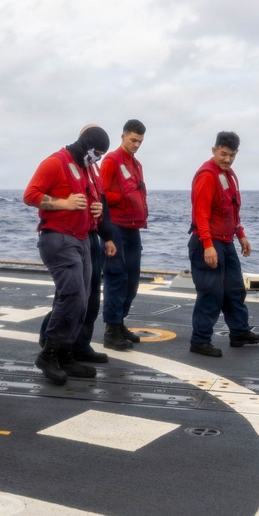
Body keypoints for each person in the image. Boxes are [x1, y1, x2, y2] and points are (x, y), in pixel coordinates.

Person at [24, 126, 112, 384]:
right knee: (72, 296)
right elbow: (30, 195)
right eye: (97, 153)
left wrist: (96, 210)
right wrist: (64, 203)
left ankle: (65, 354)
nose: (98, 158)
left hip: (82, 238)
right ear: (86, 146)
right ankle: (49, 354)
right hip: (59, 238)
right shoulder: (55, 163)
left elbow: (87, 198)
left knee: (83, 299)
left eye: (101, 155)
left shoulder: (85, 168)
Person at [187, 131, 259, 357]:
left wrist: (240, 234)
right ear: (214, 150)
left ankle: (239, 332)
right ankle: (200, 341)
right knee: (211, 292)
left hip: (226, 241)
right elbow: (201, 213)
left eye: (232, 155)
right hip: (208, 242)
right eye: (223, 154)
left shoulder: (230, 175)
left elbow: (232, 209)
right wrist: (207, 245)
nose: (227, 159)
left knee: (234, 289)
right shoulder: (207, 175)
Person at [101, 119, 148, 351]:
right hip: (116, 227)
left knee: (132, 280)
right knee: (117, 278)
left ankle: (119, 323)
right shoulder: (111, 160)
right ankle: (111, 330)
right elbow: (101, 193)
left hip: (133, 228)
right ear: (123, 136)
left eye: (140, 141)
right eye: (133, 140)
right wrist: (124, 198)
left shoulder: (136, 164)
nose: (136, 145)